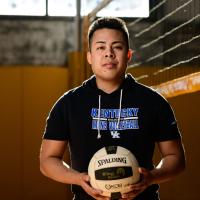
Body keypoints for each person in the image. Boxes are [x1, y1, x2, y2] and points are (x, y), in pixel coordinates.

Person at [40, 17, 186, 200]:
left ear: (128, 55)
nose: (109, 53)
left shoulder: (153, 101)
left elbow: (176, 157)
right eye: (100, 47)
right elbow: (48, 160)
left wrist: (152, 177)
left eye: (117, 46)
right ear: (89, 57)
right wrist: (78, 179)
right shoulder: (69, 104)